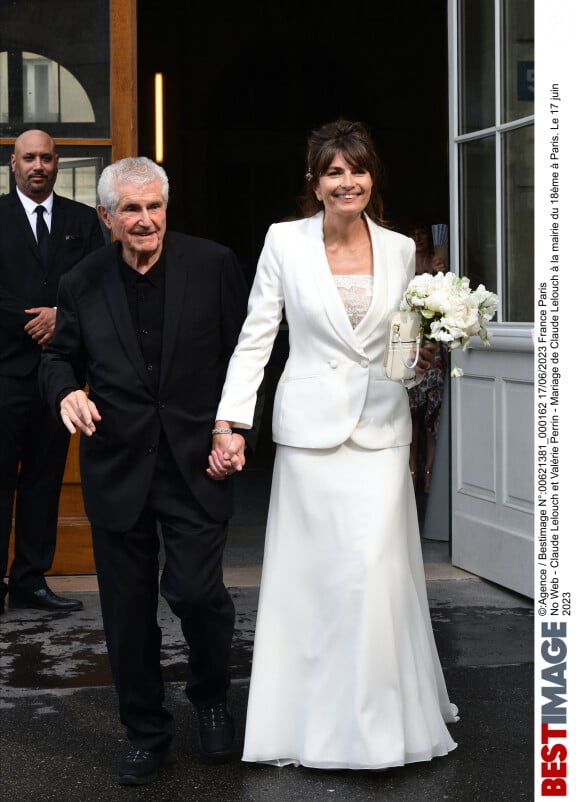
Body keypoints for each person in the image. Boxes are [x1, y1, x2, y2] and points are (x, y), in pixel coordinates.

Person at [207, 119, 458, 770]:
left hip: (378, 429)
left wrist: (433, 346)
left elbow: (403, 339)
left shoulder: (401, 249)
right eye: (334, 171)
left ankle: (378, 730)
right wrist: (230, 422)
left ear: (372, 178)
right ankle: (305, 725)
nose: (348, 182)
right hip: (310, 434)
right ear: (314, 182)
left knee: (372, 577)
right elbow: (257, 335)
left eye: (359, 170)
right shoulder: (283, 243)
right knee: (316, 582)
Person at [39, 157, 258, 786]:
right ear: (107, 217)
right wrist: (66, 393)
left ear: (167, 208)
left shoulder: (213, 265)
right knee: (127, 612)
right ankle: (145, 729)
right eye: (130, 210)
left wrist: (234, 429)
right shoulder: (82, 280)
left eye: (154, 206)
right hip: (117, 466)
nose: (145, 220)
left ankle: (211, 695)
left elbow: (246, 355)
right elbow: (60, 356)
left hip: (197, 462)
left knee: (195, 592)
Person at [0, 129, 106, 614]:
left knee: (42, 481)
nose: (37, 165)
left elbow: (99, 286)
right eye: (28, 158)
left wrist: (61, 317)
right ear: (13, 163)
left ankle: (30, 580)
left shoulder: (82, 221)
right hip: (4, 372)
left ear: (57, 162)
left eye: (45, 157)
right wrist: (35, 318)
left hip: (55, 376)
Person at [405, 222, 448, 494]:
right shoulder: (402, 262)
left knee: (431, 417)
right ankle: (411, 472)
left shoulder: (438, 260)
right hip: (408, 343)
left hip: (433, 343)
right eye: (414, 232)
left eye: (422, 233)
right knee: (409, 416)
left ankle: (431, 474)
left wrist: (441, 272)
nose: (418, 237)